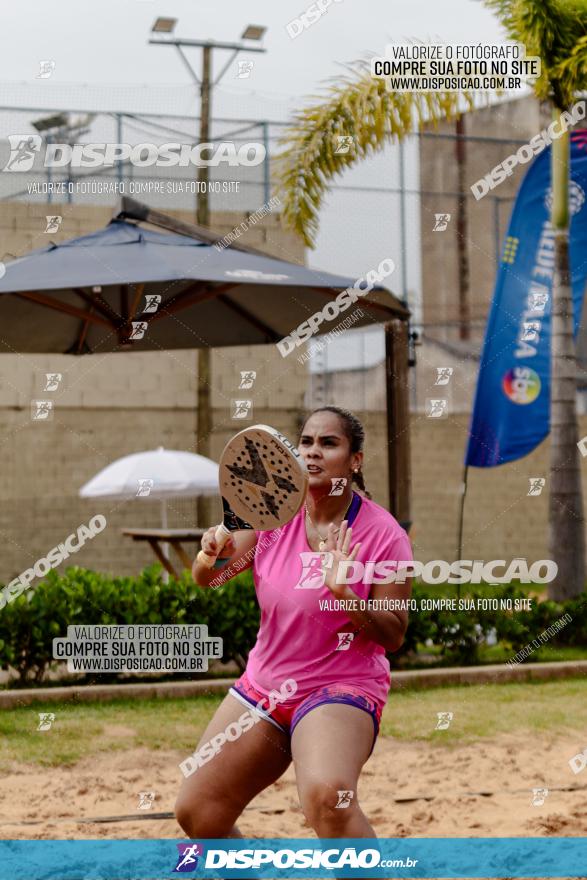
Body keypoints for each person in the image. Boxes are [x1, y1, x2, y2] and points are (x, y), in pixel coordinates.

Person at [175, 405, 413, 840]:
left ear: (355, 460)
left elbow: (394, 634)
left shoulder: (385, 535)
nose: (313, 453)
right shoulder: (272, 514)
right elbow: (210, 578)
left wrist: (346, 595)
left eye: (329, 443)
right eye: (306, 442)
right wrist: (209, 553)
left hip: (339, 688)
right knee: (198, 813)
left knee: (329, 797)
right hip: (264, 686)